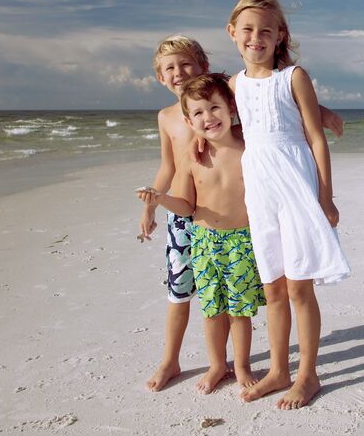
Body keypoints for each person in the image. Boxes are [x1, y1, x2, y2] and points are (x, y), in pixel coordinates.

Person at [137, 35, 344, 392]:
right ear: (160, 77)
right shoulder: (168, 117)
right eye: (169, 68)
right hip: (185, 212)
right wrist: (151, 204)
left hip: (233, 220)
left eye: (187, 64)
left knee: (234, 300)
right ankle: (171, 359)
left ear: (205, 68)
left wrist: (320, 112)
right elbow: (168, 166)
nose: (179, 73)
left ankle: (240, 363)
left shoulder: (230, 102)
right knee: (181, 291)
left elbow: (272, 99)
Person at [226, 0, 351, 409]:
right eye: (247, 29)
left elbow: (315, 137)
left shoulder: (294, 76)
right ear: (232, 33)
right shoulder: (233, 85)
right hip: (260, 194)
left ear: (280, 35)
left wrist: (325, 195)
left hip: (297, 188)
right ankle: (278, 370)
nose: (255, 37)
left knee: (299, 288)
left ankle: (308, 375)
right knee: (273, 288)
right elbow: (208, 116)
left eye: (265, 30)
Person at [138, 73, 266, 392]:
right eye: (198, 113)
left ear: (232, 107)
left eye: (214, 108)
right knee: (211, 310)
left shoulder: (250, 145)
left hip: (242, 241)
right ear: (188, 121)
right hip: (205, 242)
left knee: (239, 312)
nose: (208, 117)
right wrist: (160, 199)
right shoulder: (193, 157)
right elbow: (185, 205)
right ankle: (216, 365)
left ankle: (242, 365)